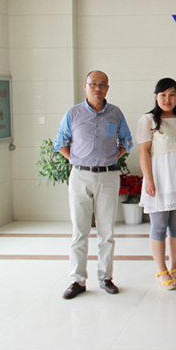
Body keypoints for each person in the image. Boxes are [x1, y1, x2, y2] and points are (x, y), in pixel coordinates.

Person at [54, 70, 133, 299]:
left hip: (108, 176)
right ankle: (77, 280)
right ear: (85, 86)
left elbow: (126, 141)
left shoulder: (115, 113)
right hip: (80, 175)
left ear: (108, 88)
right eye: (93, 84)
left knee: (106, 231)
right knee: (79, 231)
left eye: (102, 84)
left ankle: (105, 277)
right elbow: (61, 142)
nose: (97, 88)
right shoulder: (73, 114)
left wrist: (112, 158)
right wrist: (75, 160)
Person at [137, 78, 176, 291]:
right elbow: (143, 151)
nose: (167, 99)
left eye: (172, 95)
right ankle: (161, 270)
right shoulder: (148, 120)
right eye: (163, 95)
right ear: (156, 97)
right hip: (160, 182)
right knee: (159, 226)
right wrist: (148, 179)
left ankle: (175, 267)